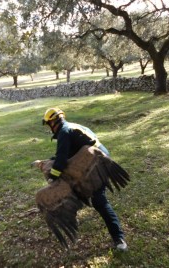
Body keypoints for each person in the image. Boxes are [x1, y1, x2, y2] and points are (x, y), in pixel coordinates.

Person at [42, 107, 128, 251]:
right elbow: (69, 152)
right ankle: (72, 212)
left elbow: (62, 161)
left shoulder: (64, 132)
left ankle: (119, 238)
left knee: (99, 201)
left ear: (52, 122)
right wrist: (51, 160)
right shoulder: (71, 127)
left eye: (48, 124)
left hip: (97, 165)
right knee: (79, 189)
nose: (50, 128)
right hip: (97, 161)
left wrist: (52, 178)